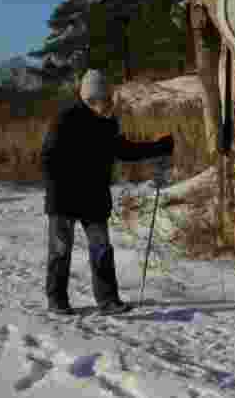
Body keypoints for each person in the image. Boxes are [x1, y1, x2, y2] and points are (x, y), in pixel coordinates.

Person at [40, 69, 174, 316]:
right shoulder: (66, 119)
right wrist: (62, 184)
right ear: (92, 99)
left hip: (93, 199)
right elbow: (48, 158)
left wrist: (159, 147)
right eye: (106, 99)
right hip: (64, 198)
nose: (111, 103)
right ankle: (57, 300)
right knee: (60, 250)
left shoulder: (108, 123)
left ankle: (108, 300)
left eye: (110, 98)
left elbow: (125, 151)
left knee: (101, 249)